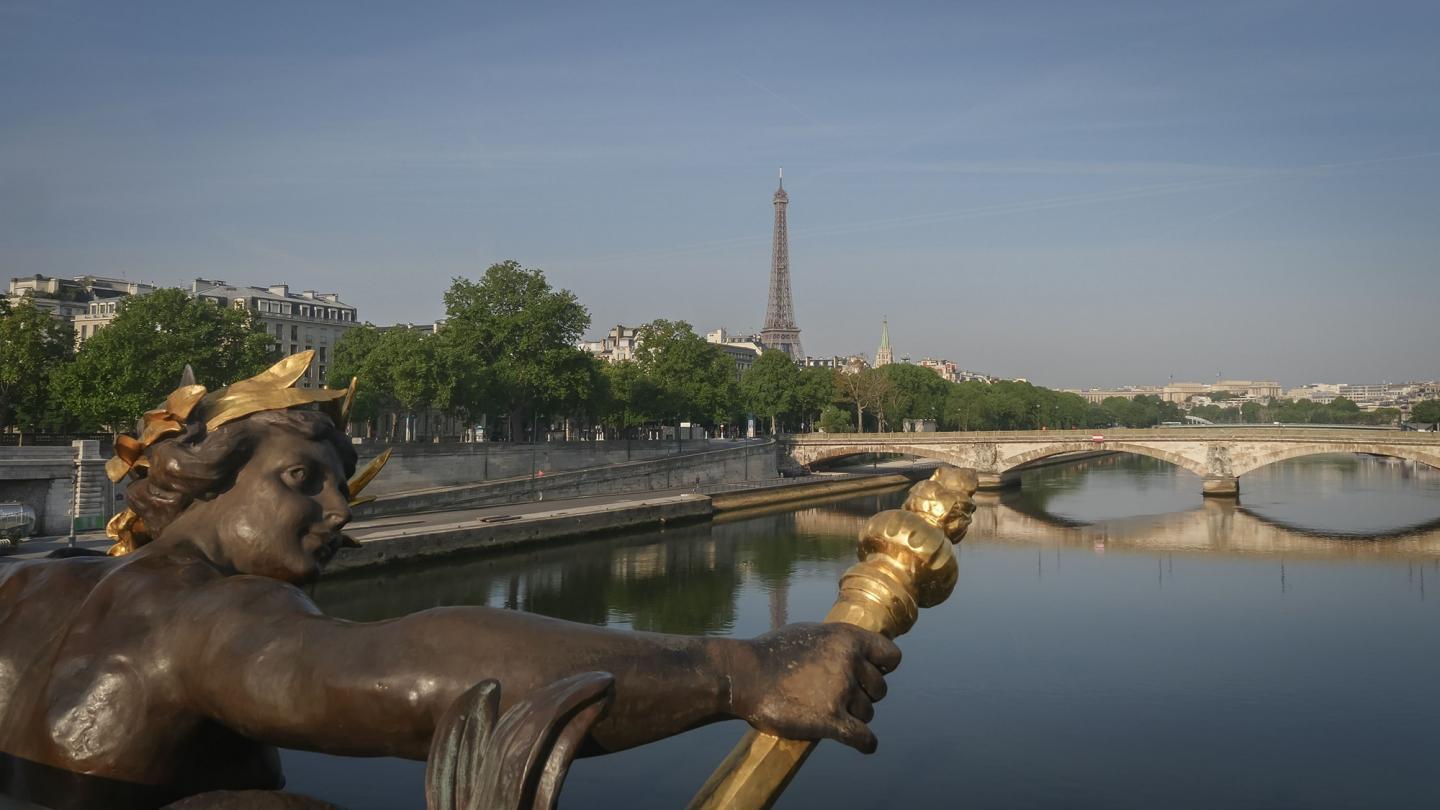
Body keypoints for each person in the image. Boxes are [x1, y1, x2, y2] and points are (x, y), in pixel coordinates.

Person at [0, 353, 898, 809]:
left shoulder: (34, 587)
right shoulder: (194, 614)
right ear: (204, 476)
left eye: (340, 486)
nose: (338, 511)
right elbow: (410, 665)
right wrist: (742, 671)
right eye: (300, 479)